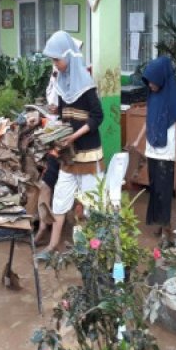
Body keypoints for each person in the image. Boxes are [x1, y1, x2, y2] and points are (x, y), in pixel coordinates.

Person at [38, 31, 104, 257]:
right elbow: (67, 116)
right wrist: (56, 111)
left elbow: (97, 117)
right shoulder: (62, 84)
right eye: (53, 61)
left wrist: (74, 137)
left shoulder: (86, 85)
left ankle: (90, 249)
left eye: (57, 59)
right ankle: (52, 246)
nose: (55, 65)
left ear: (69, 56)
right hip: (68, 155)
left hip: (87, 155)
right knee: (60, 201)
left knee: (91, 206)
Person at [129, 57, 176, 238]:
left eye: (152, 81)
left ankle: (166, 228)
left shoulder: (172, 97)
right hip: (152, 149)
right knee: (155, 188)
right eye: (148, 82)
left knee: (165, 191)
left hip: (166, 152)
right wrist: (137, 141)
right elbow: (148, 120)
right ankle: (159, 223)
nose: (150, 85)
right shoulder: (152, 95)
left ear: (160, 78)